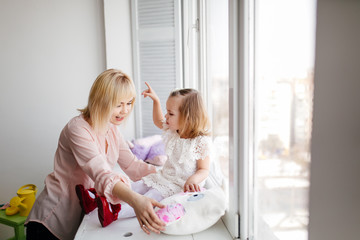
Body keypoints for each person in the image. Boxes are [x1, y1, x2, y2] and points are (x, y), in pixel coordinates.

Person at [25, 69, 166, 240]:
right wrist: (135, 200)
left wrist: (166, 177)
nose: (125, 110)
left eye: (129, 103)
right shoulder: (77, 129)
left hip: (81, 218)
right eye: (118, 104)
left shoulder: (112, 128)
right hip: (52, 221)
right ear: (101, 100)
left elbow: (132, 165)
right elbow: (102, 174)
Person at [88, 81, 212, 225]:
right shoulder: (174, 131)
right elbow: (158, 120)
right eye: (167, 112)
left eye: (170, 113)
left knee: (150, 197)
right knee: (135, 186)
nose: (166, 116)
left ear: (188, 117)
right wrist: (156, 101)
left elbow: (204, 170)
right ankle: (94, 197)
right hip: (163, 177)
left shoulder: (200, 142)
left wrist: (194, 180)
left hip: (178, 186)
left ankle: (114, 212)